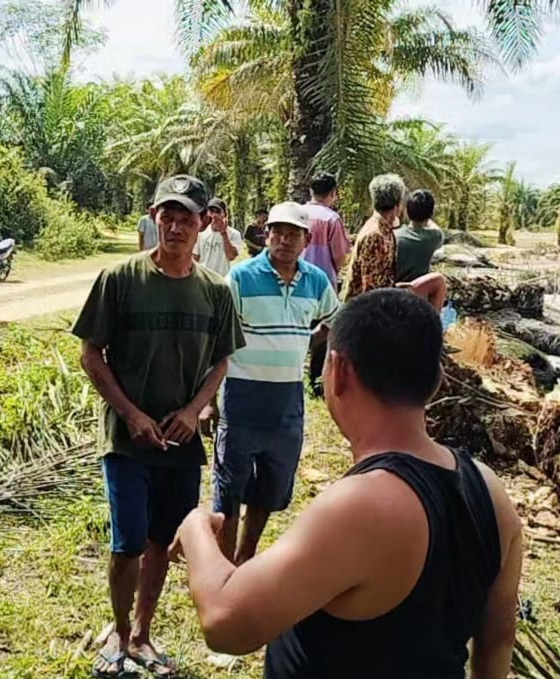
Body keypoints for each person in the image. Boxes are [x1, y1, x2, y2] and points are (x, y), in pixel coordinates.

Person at [172, 289, 523, 679]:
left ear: (338, 370)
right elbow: (497, 639)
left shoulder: (364, 505)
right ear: (436, 381)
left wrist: (194, 527)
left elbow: (225, 623)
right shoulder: (489, 491)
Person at [73, 175, 244, 678]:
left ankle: (143, 634)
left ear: (203, 223)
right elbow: (90, 353)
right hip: (127, 441)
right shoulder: (120, 280)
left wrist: (194, 411)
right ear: (154, 218)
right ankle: (120, 637)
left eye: (185, 217)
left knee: (161, 542)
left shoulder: (214, 291)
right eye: (166, 215)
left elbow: (221, 361)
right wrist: (131, 414)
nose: (174, 226)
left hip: (181, 444)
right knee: (126, 542)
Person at [216, 202, 339, 565]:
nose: (284, 240)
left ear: (307, 239)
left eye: (293, 234)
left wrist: (303, 340)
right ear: (265, 234)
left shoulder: (316, 281)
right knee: (229, 490)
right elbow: (219, 335)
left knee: (269, 489)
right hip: (242, 397)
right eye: (277, 232)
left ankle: (244, 559)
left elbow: (335, 320)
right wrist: (208, 401)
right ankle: (224, 573)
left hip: (288, 403)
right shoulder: (240, 278)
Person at [302, 174, 351, 397]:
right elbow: (339, 255)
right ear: (333, 193)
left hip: (295, 279)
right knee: (323, 331)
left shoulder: (299, 214)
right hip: (323, 283)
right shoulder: (332, 219)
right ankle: (315, 380)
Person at [343, 174, 405, 301]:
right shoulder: (375, 236)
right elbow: (370, 289)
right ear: (398, 202)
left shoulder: (382, 229)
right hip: (364, 313)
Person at [395, 189, 445, 283]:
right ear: (431, 214)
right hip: (420, 291)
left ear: (407, 211)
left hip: (393, 290)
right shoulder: (434, 237)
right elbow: (437, 229)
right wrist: (427, 217)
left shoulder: (395, 236)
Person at [193, 197, 243, 277]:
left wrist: (223, 233)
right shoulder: (201, 233)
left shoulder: (234, 234)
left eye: (218, 212)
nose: (214, 215)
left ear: (225, 214)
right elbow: (195, 258)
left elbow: (231, 256)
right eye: (211, 211)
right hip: (203, 278)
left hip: (222, 279)